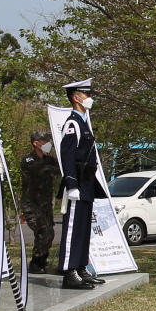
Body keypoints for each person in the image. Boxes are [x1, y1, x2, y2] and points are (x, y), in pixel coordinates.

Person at [56, 79, 109, 289]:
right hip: (77, 183)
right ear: (76, 98)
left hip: (87, 182)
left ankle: (80, 267)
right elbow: (67, 156)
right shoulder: (72, 124)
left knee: (84, 228)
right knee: (72, 229)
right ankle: (69, 272)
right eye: (86, 95)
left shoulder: (84, 122)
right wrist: (71, 185)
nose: (90, 99)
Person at [20, 130, 60, 274]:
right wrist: (53, 169)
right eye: (45, 141)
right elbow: (42, 170)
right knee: (45, 231)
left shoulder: (50, 159)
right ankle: (36, 263)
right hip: (32, 204)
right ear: (35, 143)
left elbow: (60, 169)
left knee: (48, 234)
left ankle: (41, 262)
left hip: (46, 205)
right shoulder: (28, 160)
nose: (48, 143)